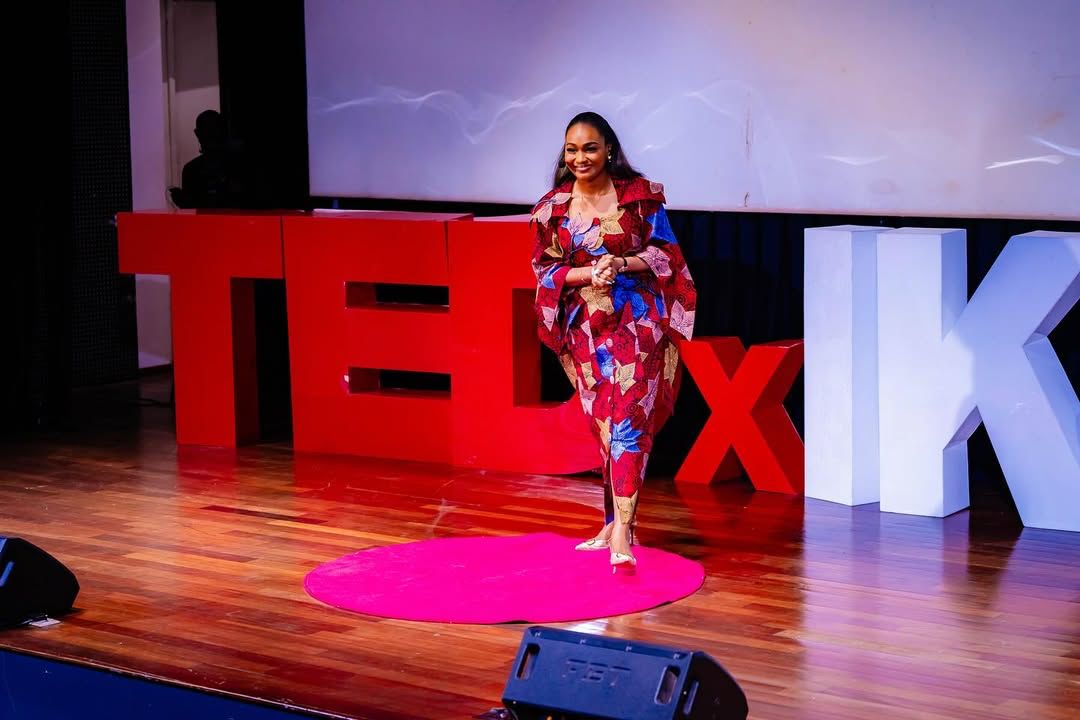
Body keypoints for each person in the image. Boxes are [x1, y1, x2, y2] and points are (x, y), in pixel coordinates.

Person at [530, 112, 697, 571]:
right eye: (572, 149)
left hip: (637, 323)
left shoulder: (640, 199)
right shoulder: (551, 210)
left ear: (609, 150)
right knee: (605, 424)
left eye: (590, 148)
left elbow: (665, 255)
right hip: (585, 328)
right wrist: (588, 272)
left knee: (628, 421)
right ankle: (612, 522)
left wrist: (620, 264)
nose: (580, 157)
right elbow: (544, 270)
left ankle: (624, 528)